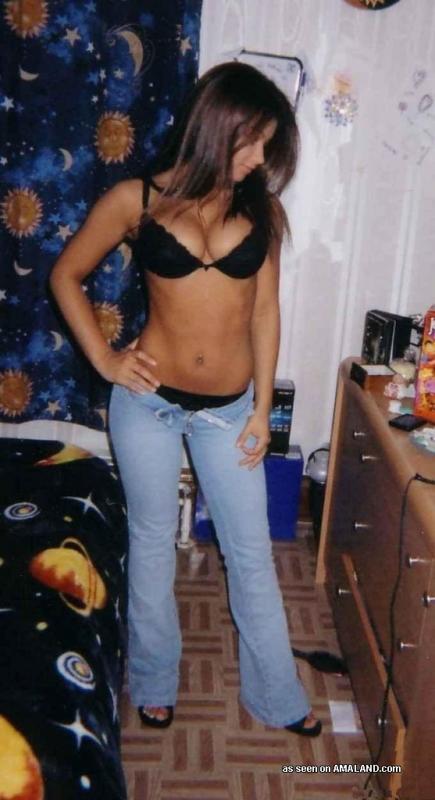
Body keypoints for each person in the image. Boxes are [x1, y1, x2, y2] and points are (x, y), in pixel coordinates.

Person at [50, 61, 321, 737]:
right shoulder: (135, 199)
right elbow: (65, 274)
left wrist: (262, 410)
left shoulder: (261, 210)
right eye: (250, 143)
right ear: (215, 127)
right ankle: (153, 681)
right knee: (150, 543)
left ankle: (276, 696)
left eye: (267, 146)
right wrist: (106, 359)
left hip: (228, 412)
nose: (258, 160)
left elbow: (265, 312)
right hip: (148, 403)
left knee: (250, 550)